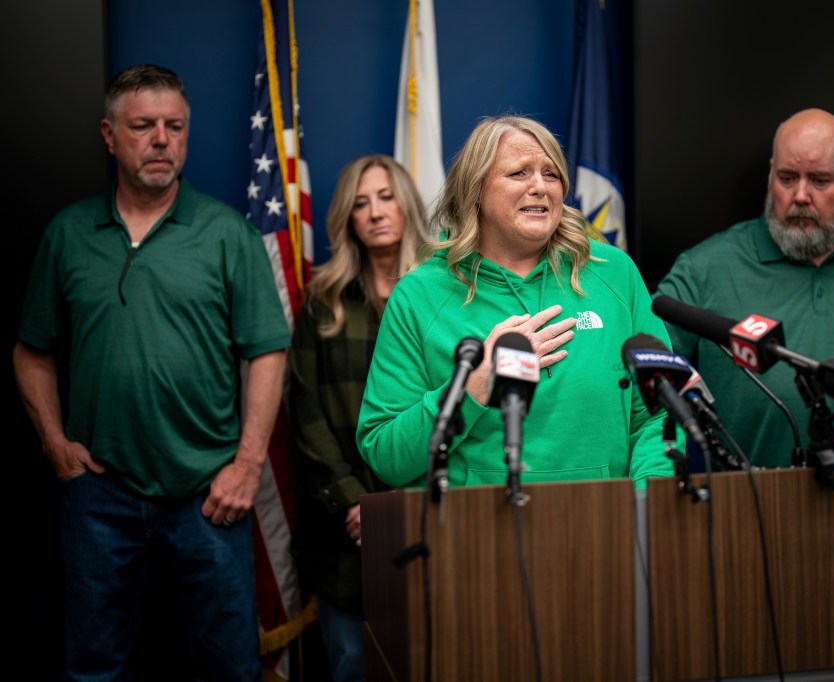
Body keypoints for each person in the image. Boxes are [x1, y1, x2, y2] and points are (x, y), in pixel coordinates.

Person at [12, 64, 290, 680]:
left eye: (175, 126)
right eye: (143, 126)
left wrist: (246, 466)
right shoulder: (68, 234)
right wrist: (54, 443)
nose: (161, 140)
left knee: (230, 667)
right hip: (100, 495)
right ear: (110, 136)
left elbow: (268, 352)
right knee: (95, 666)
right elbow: (31, 351)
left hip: (209, 493)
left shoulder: (226, 234)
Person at [655, 108, 834, 682]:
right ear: (770, 174)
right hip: (745, 544)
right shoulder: (708, 266)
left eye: (820, 181)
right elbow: (646, 367)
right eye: (787, 178)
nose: (799, 196)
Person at [357, 115, 674, 489]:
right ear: (475, 189)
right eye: (519, 173)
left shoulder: (614, 273)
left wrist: (645, 501)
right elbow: (385, 454)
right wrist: (475, 385)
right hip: (478, 534)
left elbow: (661, 413)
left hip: (610, 528)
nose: (540, 186)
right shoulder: (419, 295)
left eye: (551, 174)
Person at [288, 154, 429, 682]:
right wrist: (357, 503)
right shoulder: (324, 300)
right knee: (350, 664)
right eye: (360, 203)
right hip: (345, 533)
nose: (374, 213)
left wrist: (399, 500)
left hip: (427, 516)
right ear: (347, 218)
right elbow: (308, 414)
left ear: (407, 205)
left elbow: (457, 405)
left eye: (385, 197)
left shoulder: (444, 293)